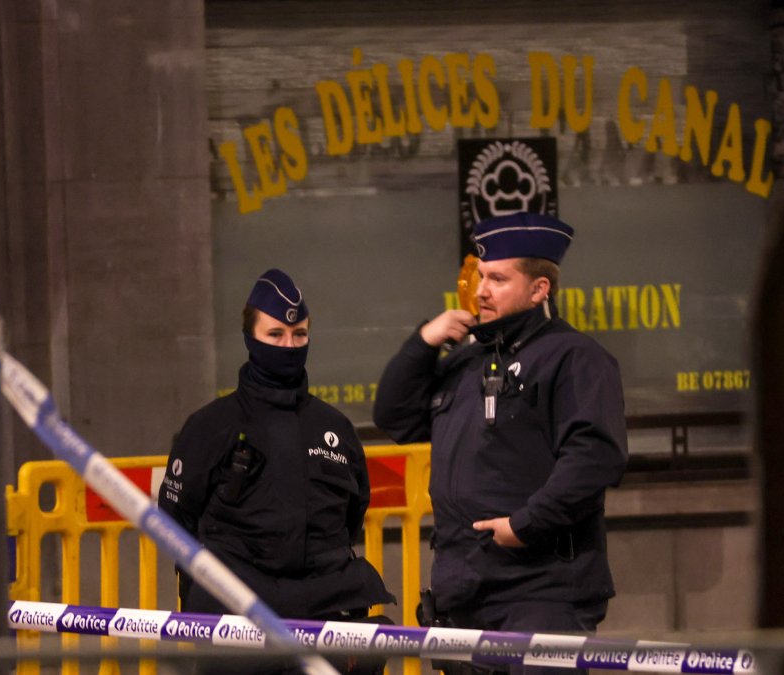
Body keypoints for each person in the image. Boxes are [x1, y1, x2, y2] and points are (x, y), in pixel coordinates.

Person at [373, 212, 628, 675]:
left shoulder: (575, 357)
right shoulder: (467, 362)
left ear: (539, 289)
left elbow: (595, 457)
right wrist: (425, 342)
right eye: (481, 277)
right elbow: (394, 417)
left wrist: (525, 525)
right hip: (462, 591)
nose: (481, 291)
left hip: (540, 590)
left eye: (498, 279)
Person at [160, 268, 394, 674]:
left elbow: (352, 515)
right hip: (237, 622)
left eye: (299, 335)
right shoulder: (210, 427)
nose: (289, 345)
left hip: (326, 615)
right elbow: (176, 520)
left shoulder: (334, 428)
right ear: (251, 337)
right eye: (275, 335)